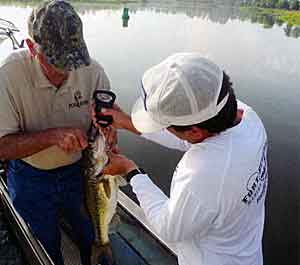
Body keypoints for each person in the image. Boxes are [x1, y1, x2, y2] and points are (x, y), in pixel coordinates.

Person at [101, 53, 269, 265]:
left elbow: (168, 227)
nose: (165, 130)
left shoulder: (202, 173)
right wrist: (125, 121)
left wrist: (131, 171)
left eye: (166, 126)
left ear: (195, 131)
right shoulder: (246, 118)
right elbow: (189, 138)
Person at [0, 1, 112, 265]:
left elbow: (107, 120)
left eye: (72, 59)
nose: (66, 71)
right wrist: (52, 137)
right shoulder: (7, 76)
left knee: (91, 234)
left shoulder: (93, 71)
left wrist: (109, 132)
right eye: (55, 61)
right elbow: (2, 147)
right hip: (30, 178)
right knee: (44, 246)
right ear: (30, 48)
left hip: (81, 173)